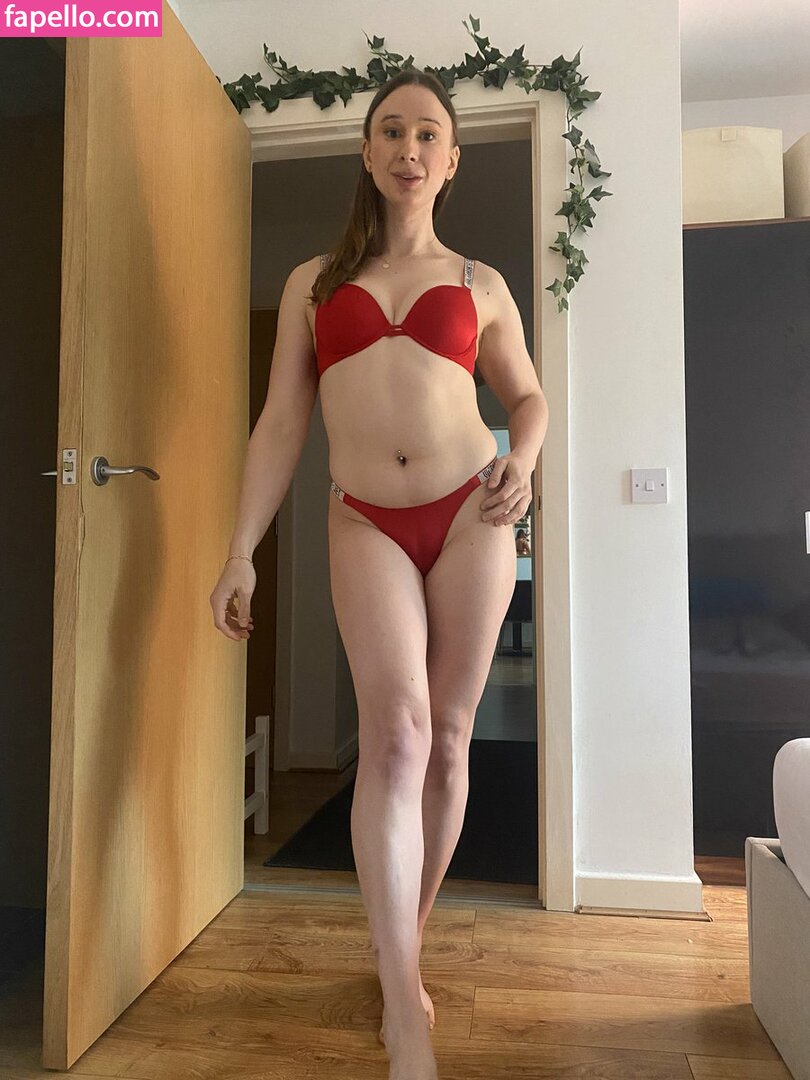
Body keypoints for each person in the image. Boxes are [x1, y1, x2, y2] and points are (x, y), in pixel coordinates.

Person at [209, 67, 549, 1080]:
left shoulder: (482, 283)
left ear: (452, 161)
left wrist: (525, 460)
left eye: (428, 133)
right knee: (395, 735)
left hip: (472, 513)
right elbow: (281, 422)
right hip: (363, 517)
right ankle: (405, 1010)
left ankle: (404, 947)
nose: (410, 147)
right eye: (392, 131)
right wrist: (239, 550)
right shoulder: (314, 284)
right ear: (367, 152)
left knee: (449, 739)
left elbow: (526, 399)